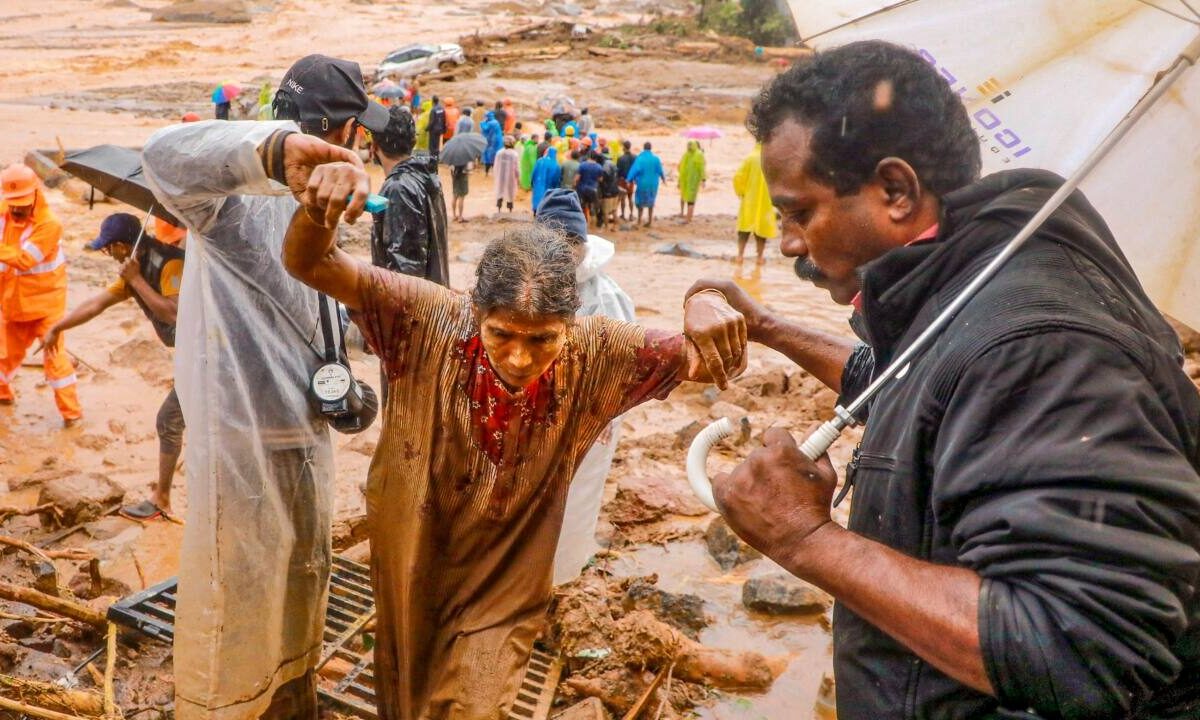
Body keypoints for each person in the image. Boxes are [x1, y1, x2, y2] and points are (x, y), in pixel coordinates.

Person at [690, 40, 1200, 720]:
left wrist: (805, 540)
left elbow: (1077, 648)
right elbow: (909, 383)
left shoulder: (1041, 347)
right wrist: (771, 328)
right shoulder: (974, 284)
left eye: (800, 212)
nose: (786, 242)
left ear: (895, 191)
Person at [278, 153, 747, 718]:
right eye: (501, 334)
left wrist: (707, 297)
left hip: (509, 574)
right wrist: (318, 208)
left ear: (569, 326)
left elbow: (714, 357)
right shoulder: (422, 315)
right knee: (404, 687)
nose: (520, 358)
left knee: (480, 702)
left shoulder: (600, 351)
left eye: (543, 340)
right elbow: (309, 262)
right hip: (413, 544)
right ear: (476, 310)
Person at [141, 53, 390, 719]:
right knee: (235, 602)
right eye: (356, 130)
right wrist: (278, 153)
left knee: (305, 580)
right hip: (239, 437)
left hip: (304, 432)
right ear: (340, 131)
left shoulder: (325, 205)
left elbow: (314, 305)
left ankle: (294, 700)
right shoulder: (227, 202)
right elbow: (163, 155)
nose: (359, 142)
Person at [42, 214, 186, 519]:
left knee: (168, 421)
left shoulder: (170, 263)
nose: (109, 255)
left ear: (123, 246)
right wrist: (58, 327)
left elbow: (172, 313)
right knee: (180, 422)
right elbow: (96, 304)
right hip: (193, 355)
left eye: (110, 249)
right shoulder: (134, 268)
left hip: (212, 354)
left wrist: (136, 280)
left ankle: (163, 500)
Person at [532, 189, 636, 584]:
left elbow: (622, 369)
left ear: (581, 244)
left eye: (569, 244)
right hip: (533, 419)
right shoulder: (527, 284)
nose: (561, 253)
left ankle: (557, 583)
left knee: (571, 507)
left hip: (587, 424)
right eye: (551, 244)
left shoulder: (605, 298)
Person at [0, 163, 81, 426]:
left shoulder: (49, 225)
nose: (17, 209)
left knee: (56, 363)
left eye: (22, 203)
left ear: (36, 194)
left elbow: (25, 260)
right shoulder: (5, 213)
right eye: (13, 203)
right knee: (4, 356)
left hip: (47, 308)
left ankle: (72, 415)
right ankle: (3, 396)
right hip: (13, 304)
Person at [370, 105, 450, 285]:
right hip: (433, 302)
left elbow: (405, 275)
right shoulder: (424, 176)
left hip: (415, 308)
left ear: (374, 146)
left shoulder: (399, 187)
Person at [733, 143, 777, 264]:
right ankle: (760, 257)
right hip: (765, 201)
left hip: (749, 200)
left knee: (744, 229)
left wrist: (741, 192)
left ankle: (740, 256)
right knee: (761, 231)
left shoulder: (750, 158)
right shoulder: (771, 160)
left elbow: (738, 177)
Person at [627, 142, 665, 228]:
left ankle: (639, 220)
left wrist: (629, 179)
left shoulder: (640, 159)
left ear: (643, 148)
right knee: (651, 202)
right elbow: (660, 170)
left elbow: (634, 170)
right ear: (651, 148)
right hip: (653, 184)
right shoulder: (656, 159)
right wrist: (664, 179)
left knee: (640, 202)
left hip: (642, 184)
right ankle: (650, 221)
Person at [677, 140, 706, 223]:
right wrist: (679, 181)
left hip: (693, 181)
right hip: (685, 182)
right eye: (688, 145)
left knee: (691, 201)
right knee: (686, 198)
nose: (689, 147)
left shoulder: (698, 155)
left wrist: (703, 179)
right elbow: (680, 167)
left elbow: (702, 168)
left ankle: (688, 219)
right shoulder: (687, 155)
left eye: (690, 145)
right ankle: (686, 216)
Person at [493, 135, 520, 213]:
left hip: (500, 177)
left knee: (500, 191)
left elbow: (495, 166)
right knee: (510, 193)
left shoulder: (499, 153)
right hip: (510, 178)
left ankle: (499, 209)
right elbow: (517, 168)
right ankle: (510, 210)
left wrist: (496, 175)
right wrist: (518, 178)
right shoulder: (514, 154)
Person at [574, 151, 604, 224]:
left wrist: (574, 185)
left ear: (589, 156)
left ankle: (584, 224)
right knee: (592, 207)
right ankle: (592, 225)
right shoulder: (599, 167)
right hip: (593, 189)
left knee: (583, 206)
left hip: (582, 189)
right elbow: (600, 179)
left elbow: (577, 178)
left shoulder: (582, 165)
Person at [530, 145, 561, 212]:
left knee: (537, 197)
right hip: (549, 186)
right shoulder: (556, 164)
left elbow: (534, 172)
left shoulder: (539, 161)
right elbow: (556, 178)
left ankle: (535, 210)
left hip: (538, 184)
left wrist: (532, 182)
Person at [598, 148, 621, 229]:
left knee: (605, 211)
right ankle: (615, 227)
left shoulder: (605, 165)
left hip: (608, 192)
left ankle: (606, 227)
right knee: (614, 210)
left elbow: (602, 179)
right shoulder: (613, 163)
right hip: (615, 190)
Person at [615, 140, 635, 220]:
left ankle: (623, 215)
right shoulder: (634, 157)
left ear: (623, 147)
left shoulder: (620, 158)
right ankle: (631, 214)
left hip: (622, 180)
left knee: (622, 198)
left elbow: (618, 171)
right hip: (631, 181)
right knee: (630, 198)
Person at [480, 110, 503, 176]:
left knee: (488, 157)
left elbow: (485, 129)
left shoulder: (490, 123)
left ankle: (487, 172)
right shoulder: (495, 121)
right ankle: (495, 172)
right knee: (495, 156)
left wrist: (482, 122)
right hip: (497, 142)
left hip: (491, 142)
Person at [427, 96, 446, 160]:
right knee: (437, 144)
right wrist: (444, 128)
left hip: (433, 130)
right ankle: (437, 158)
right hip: (440, 129)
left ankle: (432, 159)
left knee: (432, 145)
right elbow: (444, 119)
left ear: (433, 101)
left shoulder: (433, 109)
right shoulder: (442, 108)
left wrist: (427, 128)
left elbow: (432, 121)